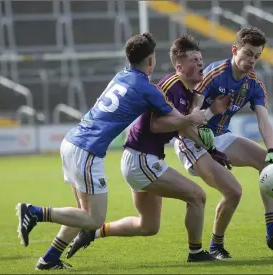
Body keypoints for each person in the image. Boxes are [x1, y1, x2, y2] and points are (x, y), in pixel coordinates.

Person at [15, 32, 207, 270]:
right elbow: (178, 121)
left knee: (83, 213)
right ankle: (34, 212)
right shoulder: (147, 89)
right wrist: (196, 114)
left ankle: (49, 258)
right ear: (150, 61)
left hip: (72, 141)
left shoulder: (121, 75)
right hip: (88, 149)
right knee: (94, 219)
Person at [65, 35, 233, 262]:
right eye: (195, 59)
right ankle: (195, 253)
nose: (201, 63)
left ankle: (93, 232)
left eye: (201, 58)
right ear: (179, 66)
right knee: (197, 196)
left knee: (148, 226)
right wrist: (202, 118)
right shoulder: (170, 86)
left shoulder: (187, 92)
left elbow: (184, 126)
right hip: (141, 159)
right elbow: (157, 125)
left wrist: (211, 147)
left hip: (142, 160)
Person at [174, 27, 273, 253]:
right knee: (234, 191)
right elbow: (192, 116)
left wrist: (272, 149)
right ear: (235, 50)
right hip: (193, 140)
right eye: (247, 53)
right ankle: (216, 246)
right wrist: (208, 141)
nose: (252, 60)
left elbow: (264, 121)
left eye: (257, 56)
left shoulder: (254, 84)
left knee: (269, 163)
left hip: (221, 137)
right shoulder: (215, 73)